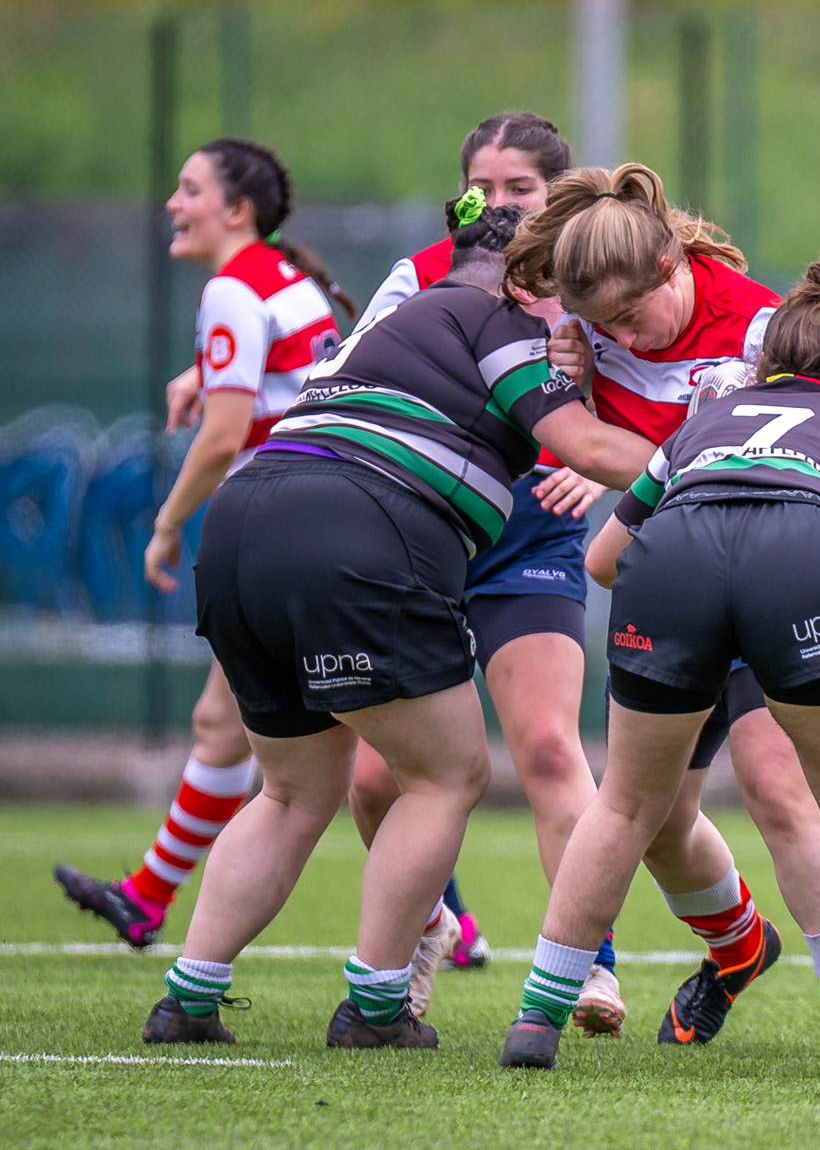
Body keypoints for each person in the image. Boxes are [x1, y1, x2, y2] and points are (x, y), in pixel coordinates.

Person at [139, 200, 653, 1049]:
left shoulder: (401, 321)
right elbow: (592, 450)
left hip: (242, 524)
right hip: (357, 528)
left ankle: (188, 995)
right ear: (529, 278)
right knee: (447, 774)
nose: (585, 312)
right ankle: (375, 1009)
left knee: (293, 790)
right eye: (575, 290)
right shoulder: (501, 318)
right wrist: (719, 448)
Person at [500, 261, 820, 1077]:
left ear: (765, 363)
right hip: (800, 569)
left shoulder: (700, 424)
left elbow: (607, 561)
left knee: (622, 807)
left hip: (673, 569)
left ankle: (536, 1020)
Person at [339, 113, 621, 1022]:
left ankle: (589, 963)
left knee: (546, 746)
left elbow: (644, 395)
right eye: (481, 188)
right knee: (377, 782)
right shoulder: (417, 277)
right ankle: (425, 928)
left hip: (530, 535)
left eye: (520, 189)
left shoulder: (591, 277)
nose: (496, 205)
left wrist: (589, 461)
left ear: (562, 193)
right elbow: (353, 378)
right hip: (425, 538)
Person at [53, 138, 356, 948]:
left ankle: (446, 921)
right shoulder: (288, 280)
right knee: (238, 727)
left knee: (359, 751)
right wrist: (199, 373)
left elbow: (224, 437)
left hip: (278, 527)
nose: (172, 204)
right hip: (326, 525)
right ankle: (146, 896)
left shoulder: (234, 287)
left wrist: (164, 523)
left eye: (188, 190)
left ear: (237, 210)